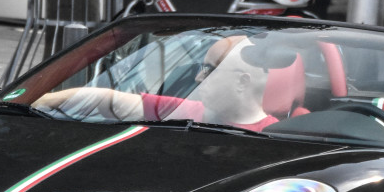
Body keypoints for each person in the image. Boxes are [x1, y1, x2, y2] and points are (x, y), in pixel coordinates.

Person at [34, 35, 280, 131]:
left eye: (206, 70)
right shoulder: (187, 111)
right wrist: (31, 102)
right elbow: (105, 99)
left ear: (241, 82)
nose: (197, 77)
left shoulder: (276, 138)